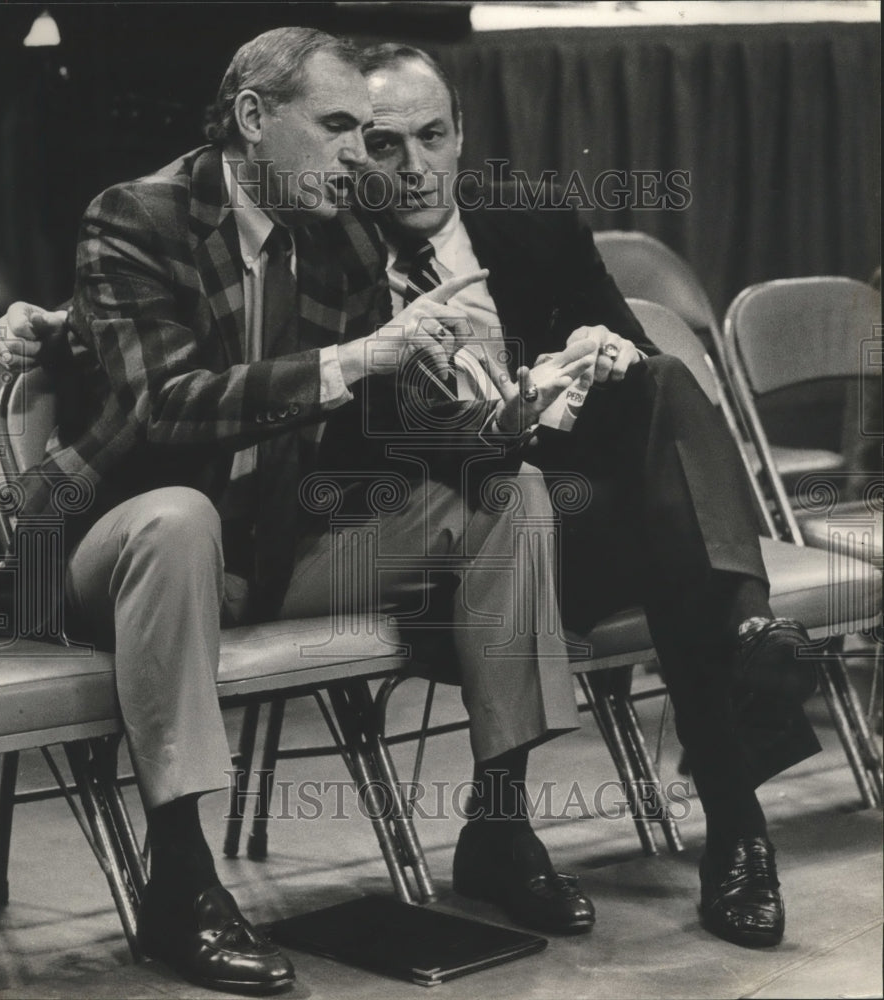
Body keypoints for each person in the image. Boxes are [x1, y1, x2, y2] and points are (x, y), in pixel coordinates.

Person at [0, 26, 599, 992]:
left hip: (272, 545)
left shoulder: (342, 229)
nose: (360, 155)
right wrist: (354, 359)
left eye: (368, 130)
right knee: (180, 515)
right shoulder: (133, 218)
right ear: (252, 119)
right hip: (108, 548)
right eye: (338, 127)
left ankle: (499, 821)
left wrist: (511, 413)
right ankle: (181, 883)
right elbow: (164, 406)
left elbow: (400, 410)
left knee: (509, 496)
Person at [340, 43, 821, 950]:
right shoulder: (330, 260)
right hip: (441, 541)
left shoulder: (530, 226)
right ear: (351, 154)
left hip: (574, 520)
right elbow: (367, 443)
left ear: (460, 136)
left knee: (660, 383)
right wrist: (510, 414)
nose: (411, 168)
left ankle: (519, 831)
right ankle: (736, 813)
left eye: (430, 137)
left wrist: (599, 351)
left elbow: (636, 379)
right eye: (382, 144)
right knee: (682, 558)